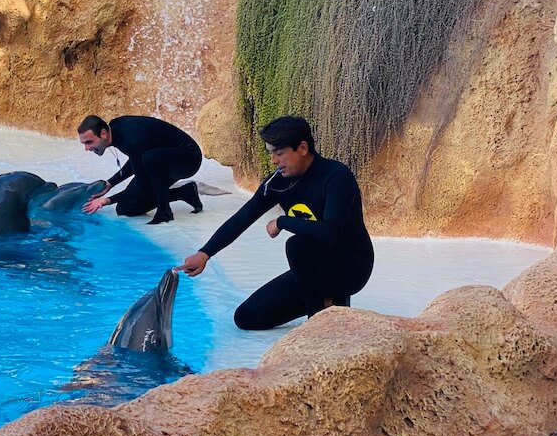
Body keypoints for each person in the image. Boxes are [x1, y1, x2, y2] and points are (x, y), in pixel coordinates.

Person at [175, 116, 374, 329]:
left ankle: (318, 321)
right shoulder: (278, 182)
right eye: (271, 153)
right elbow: (243, 217)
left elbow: (330, 233)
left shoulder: (336, 176)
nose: (274, 160)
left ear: (303, 148)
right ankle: (324, 300)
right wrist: (205, 253)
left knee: (297, 245)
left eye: (279, 153)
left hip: (351, 267)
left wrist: (282, 221)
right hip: (312, 270)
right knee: (247, 318)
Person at [77, 114, 203, 225]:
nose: (87, 148)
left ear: (103, 133)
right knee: (126, 208)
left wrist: (106, 200)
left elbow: (141, 185)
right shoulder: (116, 129)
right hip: (162, 159)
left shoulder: (131, 139)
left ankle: (164, 212)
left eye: (89, 142)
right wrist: (110, 184)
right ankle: (185, 192)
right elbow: (135, 158)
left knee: (149, 160)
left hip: (188, 160)